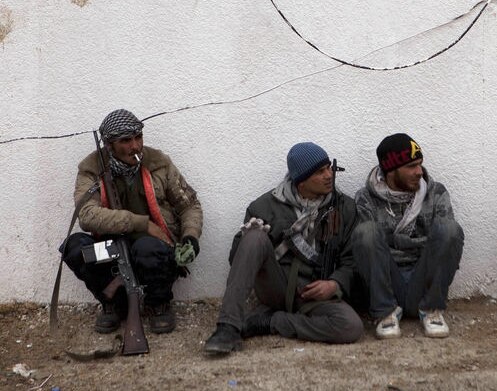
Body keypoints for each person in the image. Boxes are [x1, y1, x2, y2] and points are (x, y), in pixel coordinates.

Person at [204, 142, 363, 354]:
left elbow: (351, 259)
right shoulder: (264, 207)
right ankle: (228, 327)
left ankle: (269, 321)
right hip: (277, 287)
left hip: (317, 295)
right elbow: (237, 261)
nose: (329, 176)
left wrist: (334, 284)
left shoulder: (345, 208)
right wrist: (250, 235)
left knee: (351, 327)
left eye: (329, 168)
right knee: (253, 238)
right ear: (301, 181)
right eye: (320, 171)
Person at [60, 109, 203, 334]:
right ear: (108, 145)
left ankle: (159, 304)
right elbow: (87, 216)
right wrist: (142, 223)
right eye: (126, 141)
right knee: (75, 247)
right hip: (113, 252)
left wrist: (190, 236)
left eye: (139, 138)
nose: (135, 146)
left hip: (153, 249)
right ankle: (115, 304)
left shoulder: (158, 163)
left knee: (147, 247)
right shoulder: (91, 169)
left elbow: (189, 205)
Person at [352, 133, 464, 339]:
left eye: (420, 164)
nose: (419, 172)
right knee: (365, 232)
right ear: (391, 170)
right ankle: (385, 313)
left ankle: (431, 310)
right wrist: (416, 242)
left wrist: (393, 241)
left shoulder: (436, 192)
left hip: (423, 279)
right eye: (411, 166)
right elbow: (368, 250)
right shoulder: (366, 198)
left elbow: (443, 243)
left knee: (450, 229)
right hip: (386, 281)